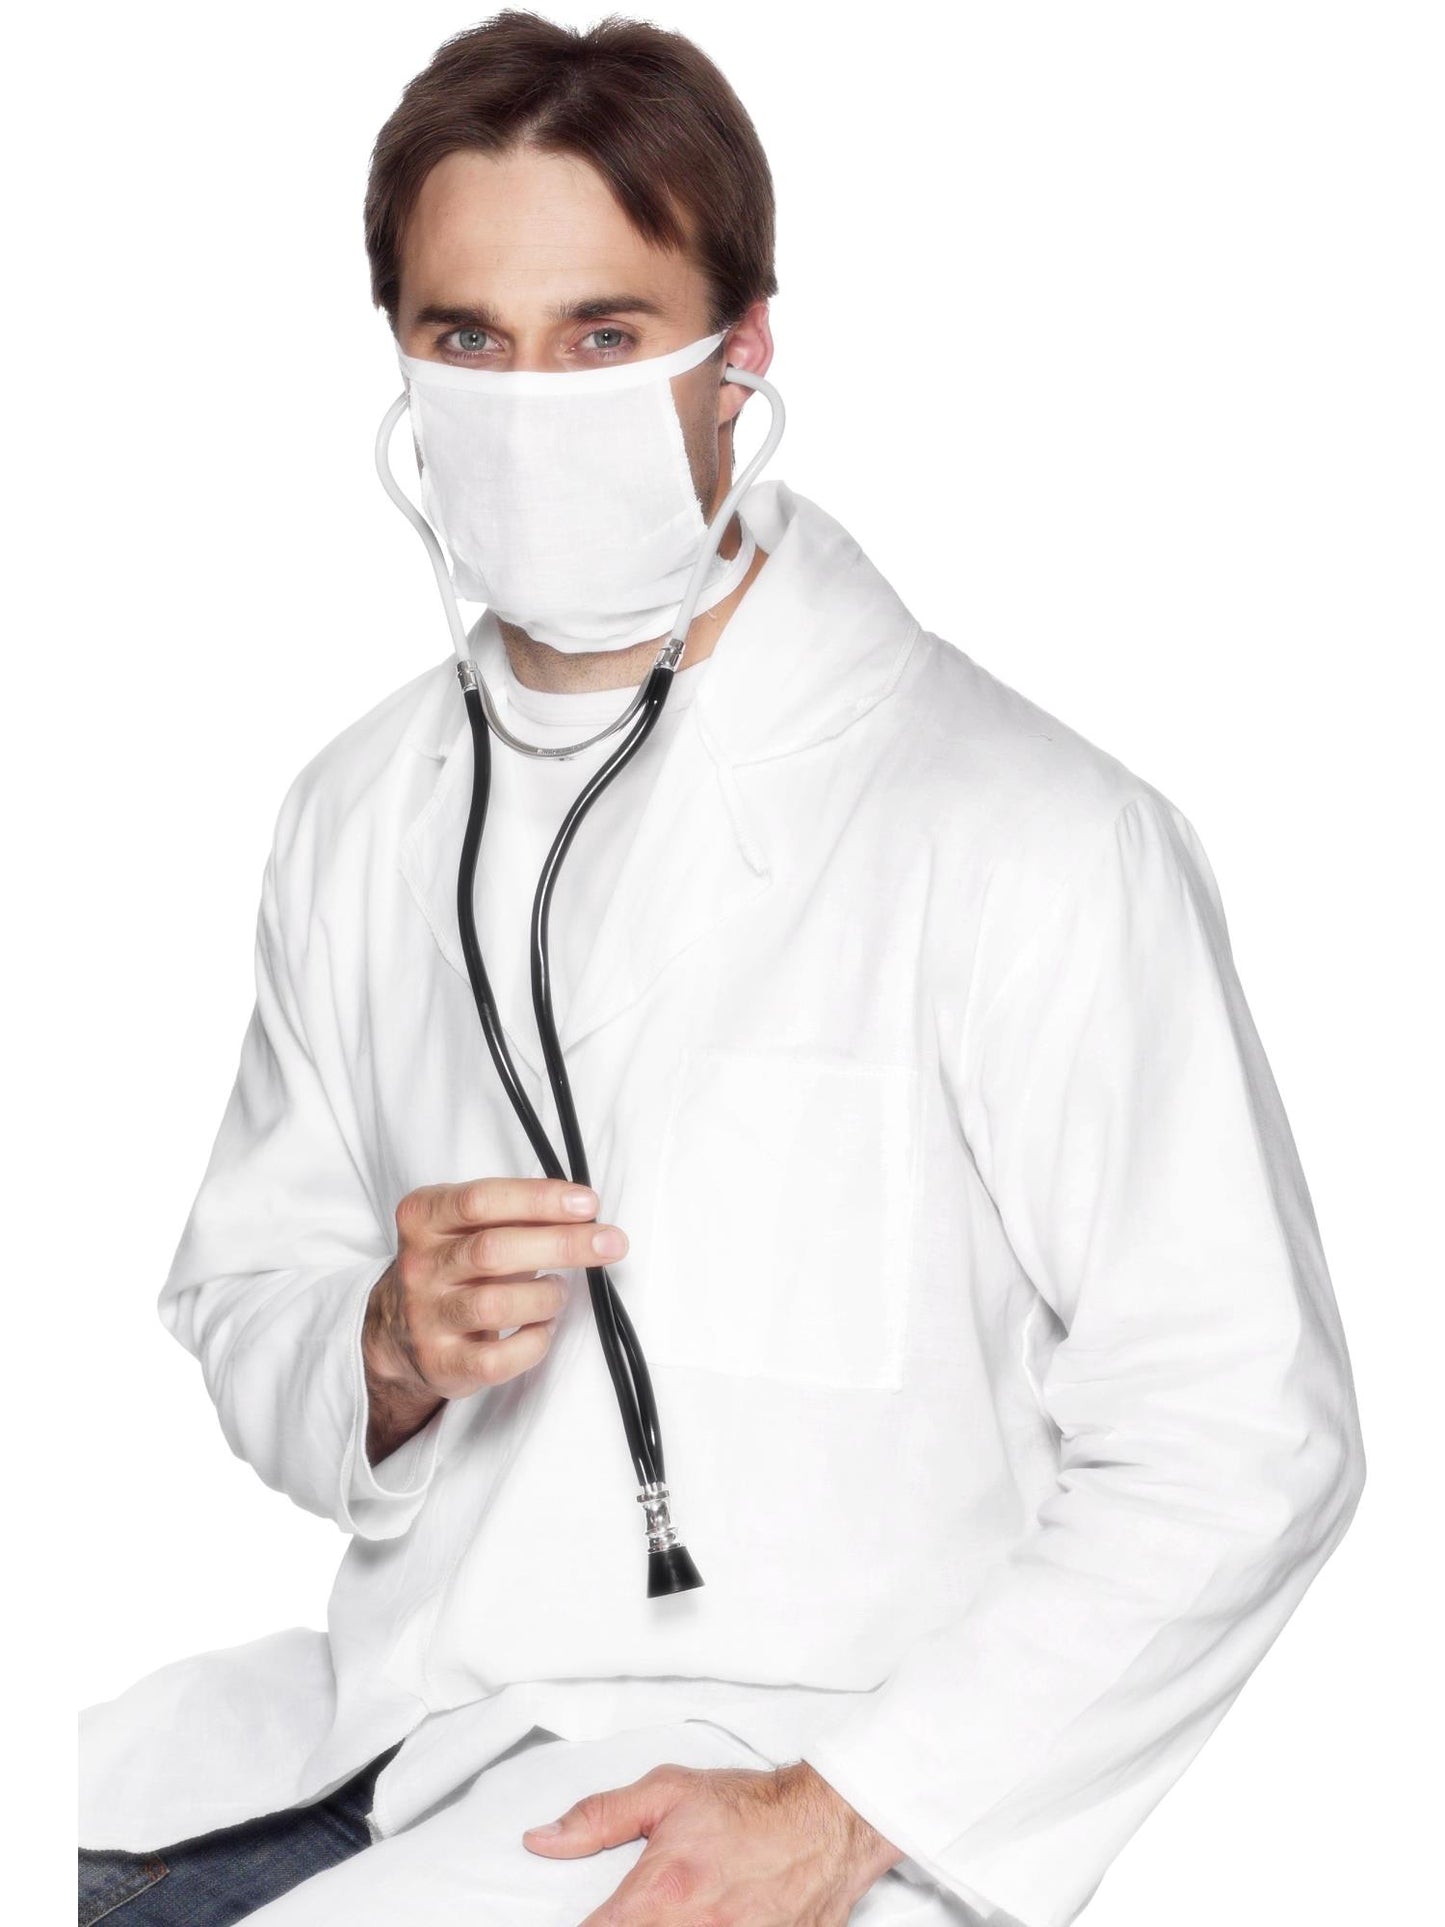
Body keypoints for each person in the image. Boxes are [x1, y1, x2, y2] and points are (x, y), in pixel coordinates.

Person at [77, 11, 1367, 1927]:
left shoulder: (1027, 831)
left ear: (741, 349)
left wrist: (844, 1814)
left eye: (604, 336)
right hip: (387, 1731)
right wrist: (384, 1349)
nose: (530, 404)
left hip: (782, 1777)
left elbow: (1244, 1435)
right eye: (465, 341)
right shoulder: (355, 809)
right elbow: (243, 1293)